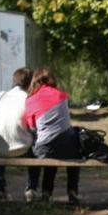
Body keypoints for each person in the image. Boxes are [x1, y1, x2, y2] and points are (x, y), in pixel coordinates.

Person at [23, 67, 81, 204]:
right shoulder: (62, 95)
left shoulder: (30, 100)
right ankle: (72, 192)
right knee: (71, 152)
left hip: (46, 148)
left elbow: (32, 128)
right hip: (68, 146)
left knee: (47, 148)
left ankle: (45, 193)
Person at [0, 67, 39, 201]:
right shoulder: (29, 99)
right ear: (30, 83)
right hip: (22, 150)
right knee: (37, 150)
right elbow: (34, 127)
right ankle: (31, 189)